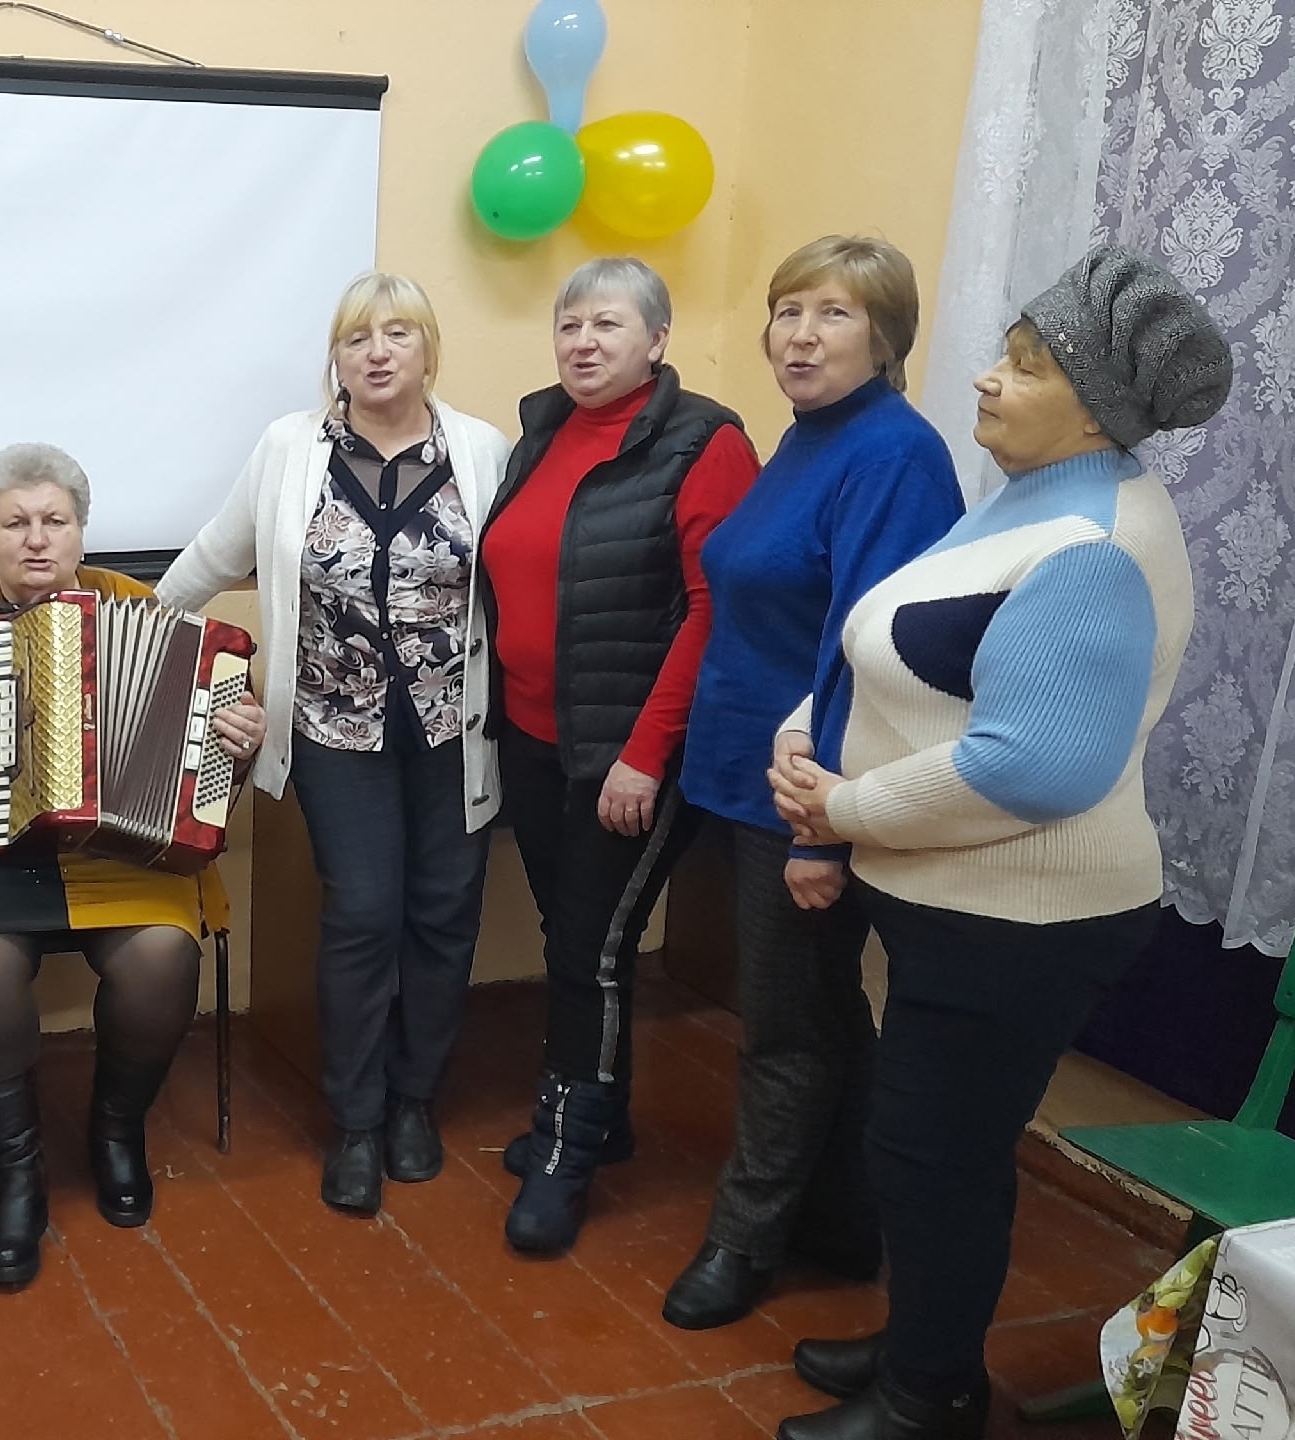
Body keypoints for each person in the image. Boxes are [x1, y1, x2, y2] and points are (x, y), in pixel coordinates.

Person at [766, 246, 1231, 1440]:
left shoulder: (1094, 548)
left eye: (1024, 368)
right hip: (954, 903)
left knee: (936, 1158)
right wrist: (805, 731)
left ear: (1096, 409)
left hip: (1019, 919)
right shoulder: (1031, 496)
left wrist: (841, 809)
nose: (984, 379)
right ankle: (914, 1347)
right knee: (920, 1148)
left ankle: (929, 1398)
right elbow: (906, 652)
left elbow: (1034, 765)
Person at [0, 443, 266, 1285]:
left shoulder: (131, 604)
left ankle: (116, 1130)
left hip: (121, 851)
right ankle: (15, 1175)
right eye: (15, 523)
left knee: (163, 954)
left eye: (54, 521)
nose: (36, 539)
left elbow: (208, 726)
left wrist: (236, 732)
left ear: (80, 530)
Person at [658, 237, 965, 1329]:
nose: (798, 336)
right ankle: (843, 1221)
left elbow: (867, 650)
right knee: (822, 1009)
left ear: (887, 338)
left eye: (832, 314)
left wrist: (820, 831)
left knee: (785, 1028)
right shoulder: (807, 436)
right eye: (787, 311)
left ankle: (743, 1241)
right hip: (750, 776)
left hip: (806, 793)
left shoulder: (893, 454)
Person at [157, 272, 507, 1218]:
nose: (377, 352)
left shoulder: (482, 450)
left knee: (444, 915)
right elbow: (213, 557)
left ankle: (414, 1101)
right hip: (330, 728)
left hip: (454, 728)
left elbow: (516, 582)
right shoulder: (290, 449)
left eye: (399, 333)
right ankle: (355, 1119)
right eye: (358, 338)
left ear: (429, 349)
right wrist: (128, 636)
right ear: (337, 358)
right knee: (362, 914)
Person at [475, 257, 757, 1256]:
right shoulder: (544, 431)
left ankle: (566, 1149)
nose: (583, 342)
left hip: (631, 757)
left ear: (657, 340)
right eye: (569, 325)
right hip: (536, 739)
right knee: (577, 939)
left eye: (606, 324)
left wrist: (644, 755)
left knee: (583, 955)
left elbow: (714, 610)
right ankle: (607, 1116)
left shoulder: (704, 442)